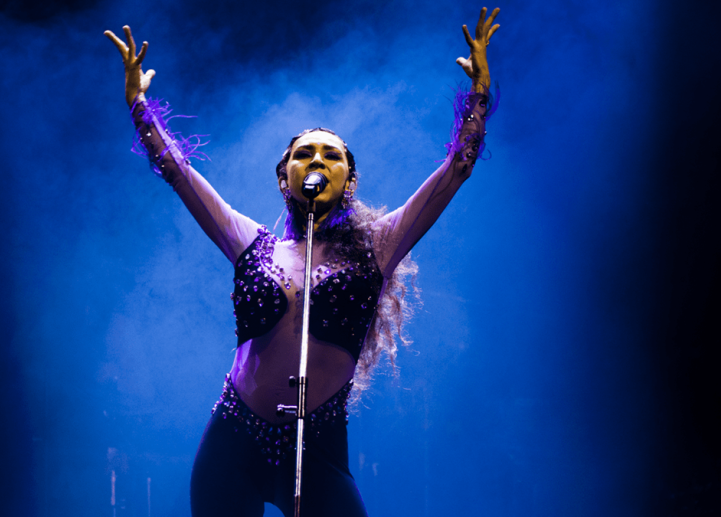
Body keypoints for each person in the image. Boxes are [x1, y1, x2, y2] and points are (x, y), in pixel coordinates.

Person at [104, 7, 500, 516]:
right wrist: (139, 105)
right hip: (234, 439)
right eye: (304, 153)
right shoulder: (252, 244)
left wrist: (479, 95)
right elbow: (180, 174)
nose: (317, 160)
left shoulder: (377, 246)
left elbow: (456, 170)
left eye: (332, 156)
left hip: (317, 445)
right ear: (283, 177)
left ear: (349, 182)